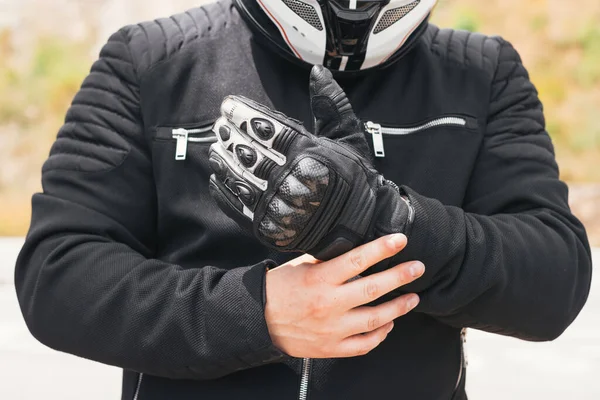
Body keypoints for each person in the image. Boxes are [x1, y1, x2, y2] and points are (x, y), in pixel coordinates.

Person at [14, 0, 592, 399]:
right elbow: (58, 276)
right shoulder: (151, 60)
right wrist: (257, 314)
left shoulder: (483, 73)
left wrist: (382, 219)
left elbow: (552, 280)